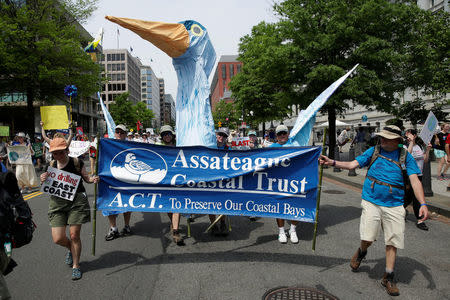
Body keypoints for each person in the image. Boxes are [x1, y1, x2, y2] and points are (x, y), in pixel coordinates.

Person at [319, 125, 429, 296]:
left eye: (386, 138)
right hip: (371, 200)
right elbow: (353, 164)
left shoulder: (405, 156)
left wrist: (422, 204)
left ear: (396, 141)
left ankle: (389, 276)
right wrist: (332, 162)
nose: (382, 139)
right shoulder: (374, 151)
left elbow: (415, 181)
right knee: (368, 237)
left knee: (393, 240)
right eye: (381, 137)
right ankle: (362, 251)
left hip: (394, 204)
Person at [39, 137, 99, 280]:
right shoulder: (52, 164)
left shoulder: (76, 162)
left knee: (74, 235)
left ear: (67, 150)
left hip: (77, 202)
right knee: (58, 238)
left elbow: (87, 178)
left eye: (61, 152)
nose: (58, 156)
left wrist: (93, 179)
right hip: (57, 203)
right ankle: (70, 249)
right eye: (55, 153)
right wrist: (43, 178)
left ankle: (76, 266)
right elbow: (46, 181)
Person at [269, 125, 299, 244]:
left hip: (294, 181)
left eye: (284, 133)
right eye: (279, 133)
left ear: (288, 134)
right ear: (276, 136)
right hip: (278, 182)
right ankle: (281, 231)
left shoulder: (296, 145)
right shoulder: (271, 148)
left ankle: (293, 230)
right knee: (279, 207)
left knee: (296, 206)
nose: (282, 135)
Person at [104, 125, 133, 241]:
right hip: (111, 178)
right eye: (117, 132)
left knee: (127, 203)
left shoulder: (130, 146)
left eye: (122, 132)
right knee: (110, 203)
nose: (119, 134)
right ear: (114, 133)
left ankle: (127, 226)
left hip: (126, 179)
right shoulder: (108, 144)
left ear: (126, 134)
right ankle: (113, 228)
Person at [156, 125, 184, 245]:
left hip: (178, 181)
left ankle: (176, 232)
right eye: (164, 134)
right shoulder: (158, 149)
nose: (167, 136)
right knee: (168, 207)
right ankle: (173, 223)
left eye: (168, 134)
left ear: (172, 135)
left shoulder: (181, 146)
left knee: (176, 205)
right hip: (165, 181)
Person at [404, 129, 432, 231]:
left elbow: (425, 160)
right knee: (411, 196)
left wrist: (428, 150)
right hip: (409, 175)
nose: (407, 136)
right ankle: (419, 219)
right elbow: (407, 156)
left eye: (409, 135)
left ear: (415, 135)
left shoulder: (420, 146)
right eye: (406, 135)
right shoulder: (404, 146)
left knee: (412, 196)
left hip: (419, 175)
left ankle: (403, 211)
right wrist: (411, 142)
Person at [208, 127, 229, 236]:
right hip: (210, 179)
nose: (221, 137)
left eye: (224, 135)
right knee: (210, 203)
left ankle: (222, 222)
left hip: (223, 180)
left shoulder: (228, 149)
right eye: (220, 134)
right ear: (216, 135)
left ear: (226, 138)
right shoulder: (210, 147)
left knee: (223, 203)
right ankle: (213, 224)